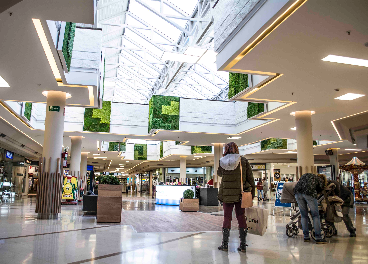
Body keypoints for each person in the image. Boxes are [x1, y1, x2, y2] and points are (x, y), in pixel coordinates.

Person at [217, 142, 255, 252]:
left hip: (226, 194)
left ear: (226, 149)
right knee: (241, 216)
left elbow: (220, 173)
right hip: (241, 194)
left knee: (227, 217)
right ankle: (243, 245)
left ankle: (225, 244)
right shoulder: (243, 161)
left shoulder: (221, 161)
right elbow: (250, 178)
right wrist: (252, 194)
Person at [294, 173, 327, 244]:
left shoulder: (307, 175)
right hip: (309, 193)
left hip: (297, 192)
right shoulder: (320, 180)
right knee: (315, 215)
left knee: (303, 215)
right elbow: (320, 190)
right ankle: (318, 237)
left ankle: (306, 236)